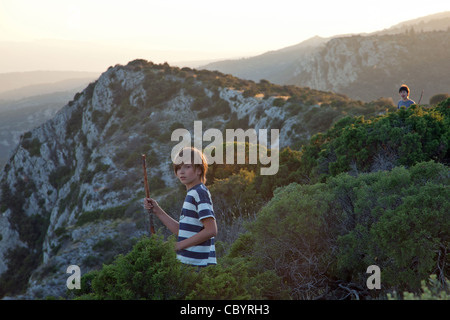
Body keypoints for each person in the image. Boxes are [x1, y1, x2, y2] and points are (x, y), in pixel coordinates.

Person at [144, 147, 217, 267]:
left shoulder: (199, 192)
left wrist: (178, 245)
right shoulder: (192, 193)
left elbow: (211, 230)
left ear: (199, 170)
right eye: (178, 168)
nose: (181, 172)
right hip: (188, 264)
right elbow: (183, 231)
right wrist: (157, 211)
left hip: (198, 266)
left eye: (187, 167)